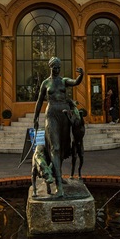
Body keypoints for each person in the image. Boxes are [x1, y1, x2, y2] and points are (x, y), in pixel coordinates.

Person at [33, 57, 84, 197]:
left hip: (64, 115)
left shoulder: (63, 81)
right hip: (51, 114)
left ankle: (58, 176)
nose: (57, 69)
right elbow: (39, 102)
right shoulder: (45, 83)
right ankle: (59, 186)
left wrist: (81, 75)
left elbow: (75, 82)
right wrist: (35, 118)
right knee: (55, 147)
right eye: (54, 67)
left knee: (62, 148)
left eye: (58, 67)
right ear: (50, 67)